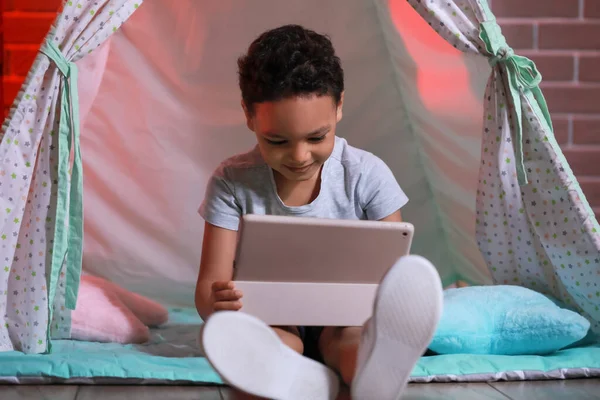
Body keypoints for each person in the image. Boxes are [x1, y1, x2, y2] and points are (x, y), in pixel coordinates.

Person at [194, 24, 443, 400]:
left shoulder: (366, 174)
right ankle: (285, 372)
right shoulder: (231, 181)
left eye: (316, 137)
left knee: (349, 339)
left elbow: (393, 272)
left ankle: (370, 369)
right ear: (248, 115)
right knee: (275, 338)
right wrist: (218, 302)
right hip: (271, 316)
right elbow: (207, 286)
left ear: (339, 106)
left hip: (345, 318)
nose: (299, 156)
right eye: (277, 141)